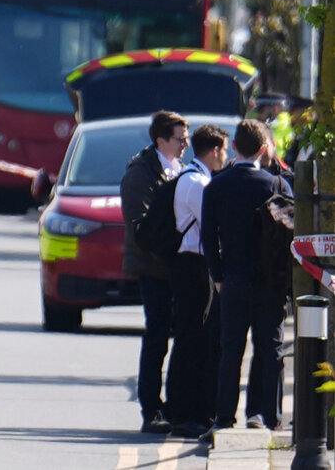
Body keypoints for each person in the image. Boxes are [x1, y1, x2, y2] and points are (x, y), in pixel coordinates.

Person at [199, 119, 291, 442]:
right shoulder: (276, 187)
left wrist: (218, 276)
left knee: (231, 351)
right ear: (264, 149)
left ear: (234, 147)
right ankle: (268, 415)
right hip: (270, 282)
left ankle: (224, 417)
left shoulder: (216, 187)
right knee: (270, 350)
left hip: (233, 279)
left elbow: (208, 237)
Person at [120, 110, 189, 434]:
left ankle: (173, 404)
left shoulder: (177, 168)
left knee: (178, 336)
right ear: (161, 140)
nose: (185, 143)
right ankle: (151, 408)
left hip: (174, 265)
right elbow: (142, 228)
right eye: (180, 138)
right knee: (157, 335)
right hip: (153, 266)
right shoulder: (141, 173)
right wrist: (173, 247)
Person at [165, 124, 229, 438]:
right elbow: (213, 226)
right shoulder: (197, 182)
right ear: (214, 150)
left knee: (196, 337)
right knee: (190, 338)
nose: (226, 157)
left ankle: (189, 410)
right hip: (191, 265)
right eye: (224, 150)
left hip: (194, 263)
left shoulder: (196, 178)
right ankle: (182, 412)